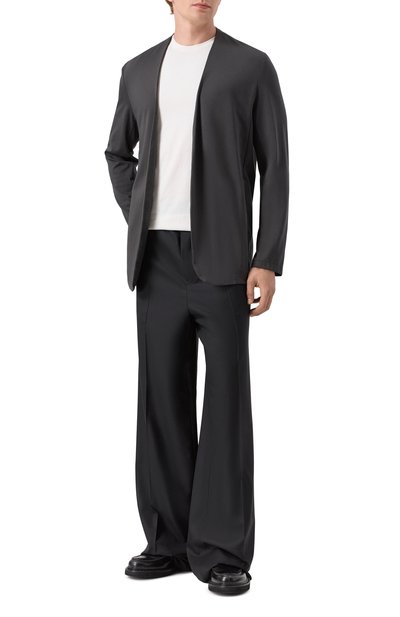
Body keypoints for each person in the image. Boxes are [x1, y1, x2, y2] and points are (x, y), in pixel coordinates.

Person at [104, 0, 289, 596]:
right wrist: (139, 211)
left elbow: (276, 167)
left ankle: (224, 551)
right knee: (160, 397)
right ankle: (169, 542)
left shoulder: (251, 67)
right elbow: (118, 153)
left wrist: (267, 256)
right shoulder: (138, 70)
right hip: (156, 257)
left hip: (226, 258)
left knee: (226, 401)